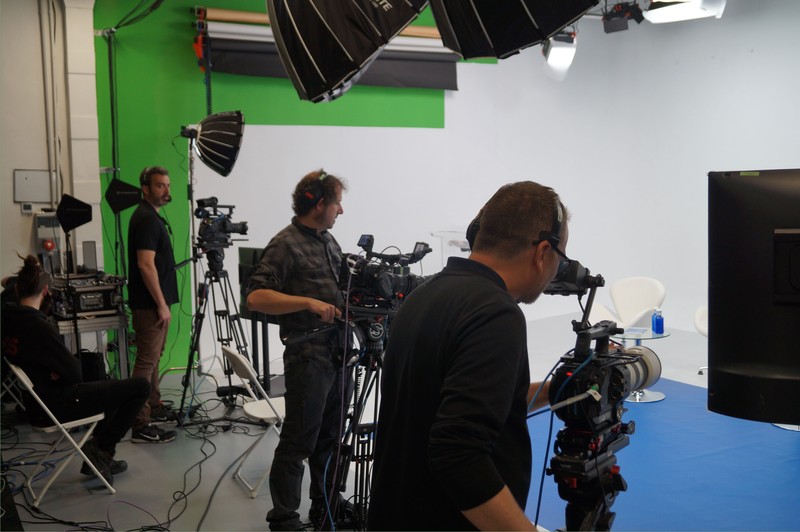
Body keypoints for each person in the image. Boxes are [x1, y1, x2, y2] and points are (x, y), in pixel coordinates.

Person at [367, 181, 569, 531]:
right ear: (542, 253)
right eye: (560, 258)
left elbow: (457, 402)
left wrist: (552, 391)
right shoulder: (495, 313)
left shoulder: (423, 295)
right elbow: (458, 455)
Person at [246, 169, 350, 531]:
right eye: (337, 203)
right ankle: (284, 519)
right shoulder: (285, 244)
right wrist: (306, 302)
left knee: (331, 439)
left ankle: (325, 505)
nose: (341, 211)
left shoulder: (328, 241)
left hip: (338, 355)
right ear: (319, 204)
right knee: (298, 441)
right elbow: (256, 297)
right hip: (308, 359)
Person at [1, 255, 150, 483]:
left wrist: (57, 370)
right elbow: (75, 374)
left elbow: (7, 283)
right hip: (57, 404)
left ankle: (99, 455)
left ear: (17, 289)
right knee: (140, 387)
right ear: (46, 292)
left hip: (35, 402)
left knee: (104, 381)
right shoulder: (39, 327)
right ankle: (102, 450)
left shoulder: (7, 316)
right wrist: (60, 368)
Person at [127, 166, 179, 443]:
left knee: (153, 358)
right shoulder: (146, 219)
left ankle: (154, 405)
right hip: (150, 305)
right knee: (146, 363)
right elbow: (145, 265)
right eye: (160, 185)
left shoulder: (150, 216)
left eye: (168, 185)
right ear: (145, 188)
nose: (166, 190)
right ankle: (139, 424)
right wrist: (161, 303)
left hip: (154, 303)